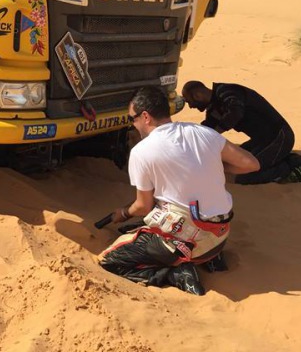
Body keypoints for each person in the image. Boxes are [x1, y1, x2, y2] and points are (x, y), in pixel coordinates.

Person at [98, 86, 260, 295]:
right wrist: (214, 166)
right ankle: (211, 258)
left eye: (133, 119)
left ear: (145, 117)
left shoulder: (142, 151)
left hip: (189, 243)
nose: (133, 124)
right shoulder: (202, 133)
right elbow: (251, 164)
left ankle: (175, 274)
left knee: (109, 261)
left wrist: (122, 213)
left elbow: (143, 206)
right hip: (220, 236)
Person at [181, 81, 301, 184]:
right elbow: (206, 130)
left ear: (197, 95)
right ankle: (283, 158)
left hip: (279, 136)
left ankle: (292, 166)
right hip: (262, 140)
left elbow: (235, 112)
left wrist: (217, 131)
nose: (190, 106)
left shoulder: (226, 92)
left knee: (245, 175)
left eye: (189, 101)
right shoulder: (214, 108)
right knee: (233, 162)